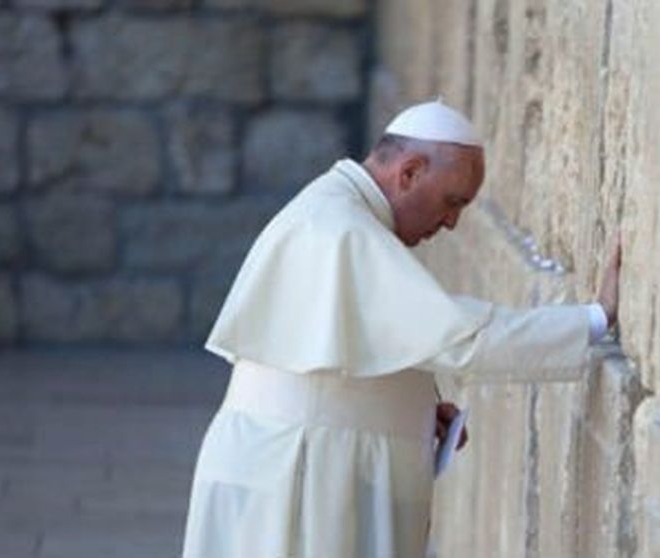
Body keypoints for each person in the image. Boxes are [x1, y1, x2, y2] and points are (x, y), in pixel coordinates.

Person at [180, 100, 620, 558]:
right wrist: (593, 319)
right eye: (453, 202)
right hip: (298, 477)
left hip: (291, 463)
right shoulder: (342, 230)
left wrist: (405, 404)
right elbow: (462, 340)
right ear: (408, 172)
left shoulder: (336, 210)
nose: (451, 222)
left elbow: (336, 363)